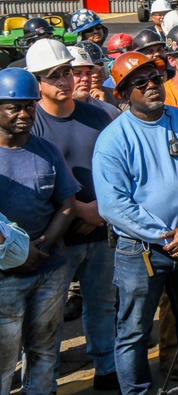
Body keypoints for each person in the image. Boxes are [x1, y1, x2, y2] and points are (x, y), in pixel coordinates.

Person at [92, 51, 178, 395]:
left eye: (155, 79)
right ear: (121, 94)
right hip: (140, 251)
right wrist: (167, 236)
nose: (152, 86)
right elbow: (114, 206)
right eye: (140, 82)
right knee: (133, 331)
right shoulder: (113, 140)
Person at [26, 40, 118, 391]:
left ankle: (106, 369)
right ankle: (41, 381)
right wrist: (82, 210)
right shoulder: (31, 121)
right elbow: (33, 179)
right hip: (57, 238)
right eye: (54, 75)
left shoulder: (100, 114)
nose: (64, 80)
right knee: (45, 318)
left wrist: (102, 213)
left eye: (67, 72)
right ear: (37, 82)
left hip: (101, 234)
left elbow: (120, 168)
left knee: (102, 304)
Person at [0, 67, 79, 395]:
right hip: (4, 277)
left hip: (49, 269)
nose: (24, 113)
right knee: (4, 357)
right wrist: (17, 254)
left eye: (30, 106)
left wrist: (42, 245)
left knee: (45, 349)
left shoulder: (47, 151)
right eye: (14, 107)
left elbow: (66, 204)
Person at [68, 46, 121, 120]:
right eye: (77, 73)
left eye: (88, 73)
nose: (85, 78)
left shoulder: (109, 111)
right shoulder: (54, 113)